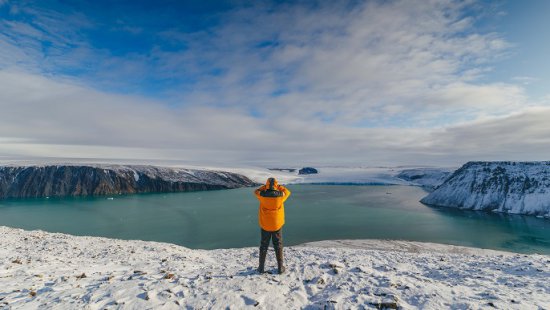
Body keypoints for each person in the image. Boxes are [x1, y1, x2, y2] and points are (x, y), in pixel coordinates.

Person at [254, 177, 291, 274]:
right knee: (278, 245)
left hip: (265, 224)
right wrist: (279, 187)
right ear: (276, 185)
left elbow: (255, 192)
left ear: (267, 184)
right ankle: (280, 268)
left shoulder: (262, 195)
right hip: (277, 225)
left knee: (264, 245)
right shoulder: (281, 196)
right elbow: (288, 192)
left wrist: (264, 187)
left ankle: (261, 268)